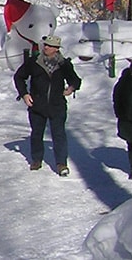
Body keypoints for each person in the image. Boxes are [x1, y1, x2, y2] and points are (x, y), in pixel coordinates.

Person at [13, 35, 82, 177]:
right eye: (45, 45)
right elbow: (19, 77)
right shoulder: (34, 62)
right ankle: (36, 159)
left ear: (56, 49)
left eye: (49, 46)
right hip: (37, 104)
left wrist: (71, 88)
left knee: (59, 134)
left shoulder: (64, 64)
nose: (46, 47)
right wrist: (24, 94)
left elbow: (75, 79)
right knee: (36, 133)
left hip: (57, 105)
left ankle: (61, 163)